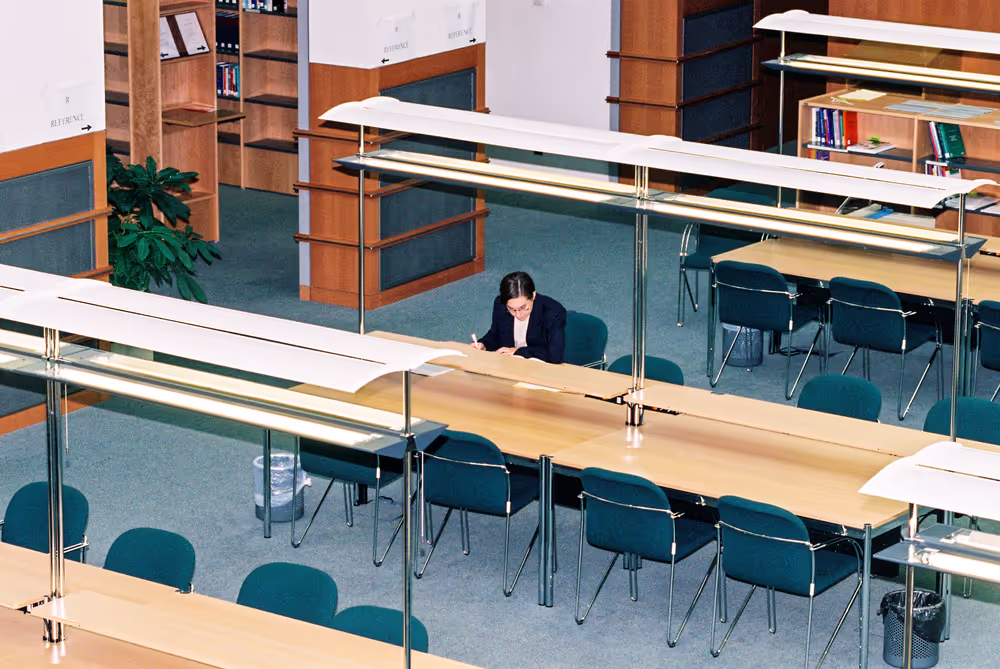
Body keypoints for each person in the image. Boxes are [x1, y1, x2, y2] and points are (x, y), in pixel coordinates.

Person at [473, 271, 566, 363]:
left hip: (539, 366)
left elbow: (555, 355)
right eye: (512, 309)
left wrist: (518, 351)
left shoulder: (553, 312)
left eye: (523, 307)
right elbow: (496, 335)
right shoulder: (501, 305)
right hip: (509, 364)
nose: (518, 315)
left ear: (533, 296)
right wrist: (483, 344)